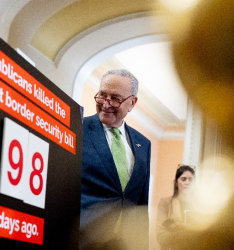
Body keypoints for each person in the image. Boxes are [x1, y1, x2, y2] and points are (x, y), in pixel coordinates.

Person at [80, 69, 151, 249]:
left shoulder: (144, 144)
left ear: (132, 103)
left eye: (115, 98)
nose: (106, 103)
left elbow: (141, 204)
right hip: (83, 239)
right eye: (102, 95)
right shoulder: (77, 127)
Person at [156, 165, 196, 250]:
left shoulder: (200, 206)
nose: (187, 183)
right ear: (176, 183)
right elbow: (160, 234)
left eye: (191, 179)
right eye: (183, 179)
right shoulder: (165, 203)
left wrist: (177, 227)